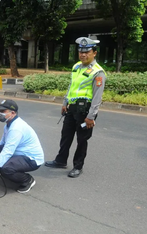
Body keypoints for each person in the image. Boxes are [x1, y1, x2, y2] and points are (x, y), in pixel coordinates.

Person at [44, 36, 106, 178]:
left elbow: (97, 97)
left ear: (94, 53)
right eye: (81, 51)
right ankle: (60, 160)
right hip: (72, 108)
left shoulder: (98, 72)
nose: (83, 54)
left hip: (85, 111)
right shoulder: (76, 67)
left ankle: (78, 166)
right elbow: (72, 86)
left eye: (87, 52)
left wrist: (91, 116)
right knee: (66, 136)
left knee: (81, 140)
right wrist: (65, 102)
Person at [0, 99, 44, 193]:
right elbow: (2, 143)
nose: (0, 113)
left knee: (5, 169)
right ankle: (11, 169)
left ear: (12, 113)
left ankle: (27, 180)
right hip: (21, 154)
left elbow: (8, 150)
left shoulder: (16, 128)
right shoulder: (9, 124)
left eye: (3, 111)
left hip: (32, 159)